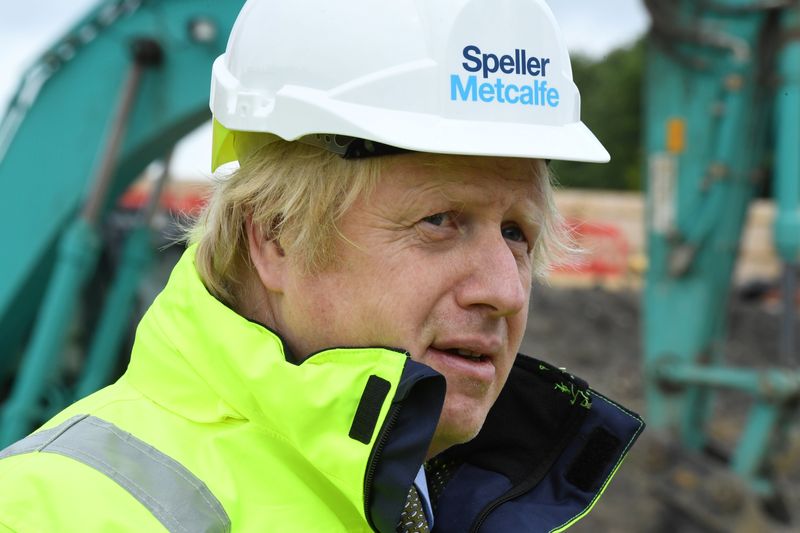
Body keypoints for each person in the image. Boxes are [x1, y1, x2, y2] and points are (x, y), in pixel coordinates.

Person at [0, 0, 644, 531]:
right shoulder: (55, 508)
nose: (506, 289)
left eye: (517, 233)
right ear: (276, 236)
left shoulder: (467, 500)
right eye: (440, 221)